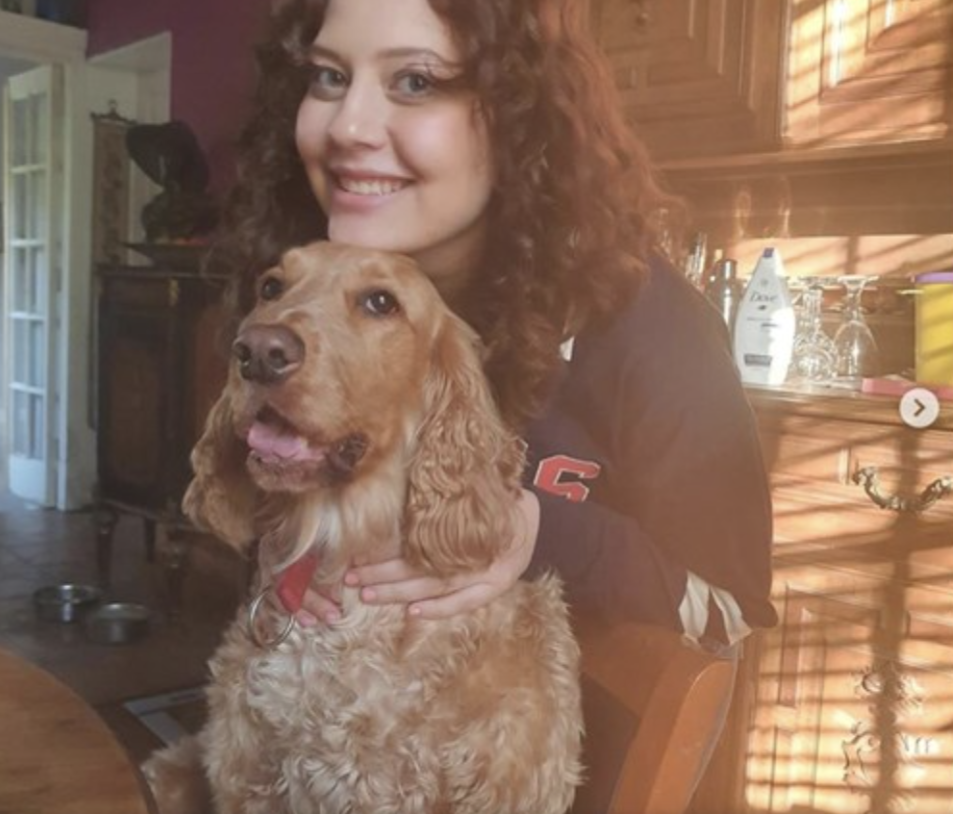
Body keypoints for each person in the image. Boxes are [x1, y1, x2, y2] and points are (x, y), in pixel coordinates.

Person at [206, 0, 778, 646]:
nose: (348, 126)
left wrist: (540, 532)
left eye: (416, 81)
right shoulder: (295, 299)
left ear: (520, 120)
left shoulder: (656, 331)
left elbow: (733, 615)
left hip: (549, 738)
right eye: (329, 77)